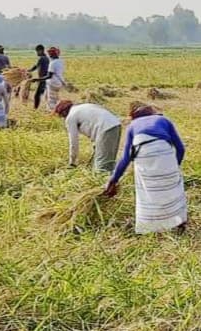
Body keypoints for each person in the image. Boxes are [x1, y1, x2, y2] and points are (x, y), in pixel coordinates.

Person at [103, 102, 189, 234]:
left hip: (143, 155)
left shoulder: (132, 126)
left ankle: (149, 228)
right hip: (164, 152)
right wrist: (174, 167)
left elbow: (126, 157)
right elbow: (180, 148)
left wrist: (114, 179)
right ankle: (178, 223)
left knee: (148, 191)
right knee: (172, 189)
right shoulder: (163, 120)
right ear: (152, 113)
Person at [55, 99, 122, 172]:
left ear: (64, 112)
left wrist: (72, 163)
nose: (62, 118)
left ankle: (103, 181)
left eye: (61, 116)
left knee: (101, 167)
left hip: (105, 128)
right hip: (116, 125)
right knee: (109, 161)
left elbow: (73, 143)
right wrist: (96, 144)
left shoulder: (70, 117)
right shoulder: (82, 107)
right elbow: (94, 124)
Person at [45, 46, 69, 111]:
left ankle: (53, 111)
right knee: (52, 97)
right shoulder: (60, 61)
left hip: (52, 83)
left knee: (51, 100)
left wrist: (38, 79)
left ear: (51, 54)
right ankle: (53, 109)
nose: (49, 55)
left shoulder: (52, 63)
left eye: (49, 54)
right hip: (59, 83)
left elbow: (49, 75)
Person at [27, 44, 50, 110]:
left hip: (42, 79)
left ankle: (35, 109)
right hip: (44, 79)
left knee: (37, 95)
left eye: (37, 51)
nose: (36, 53)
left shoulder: (41, 58)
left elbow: (35, 66)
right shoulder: (46, 58)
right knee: (44, 95)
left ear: (41, 50)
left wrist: (28, 71)